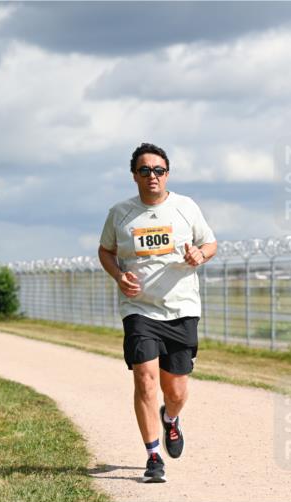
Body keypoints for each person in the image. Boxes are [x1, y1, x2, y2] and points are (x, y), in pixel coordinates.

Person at [98, 143, 218, 483]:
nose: (153, 176)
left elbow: (210, 243)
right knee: (145, 380)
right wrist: (119, 276)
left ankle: (171, 419)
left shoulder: (185, 207)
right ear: (134, 176)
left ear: (167, 174)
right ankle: (153, 457)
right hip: (139, 311)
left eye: (159, 170)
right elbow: (106, 250)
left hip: (181, 309)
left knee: (176, 391)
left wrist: (200, 255)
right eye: (145, 170)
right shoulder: (120, 213)